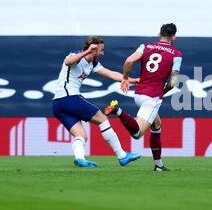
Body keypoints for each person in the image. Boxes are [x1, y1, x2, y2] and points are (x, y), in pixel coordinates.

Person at [52, 36, 141, 168]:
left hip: (58, 104)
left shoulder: (92, 64)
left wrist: (132, 80)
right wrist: (87, 51)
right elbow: (68, 62)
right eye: (101, 50)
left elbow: (110, 73)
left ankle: (80, 159)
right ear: (93, 50)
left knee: (81, 135)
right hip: (69, 98)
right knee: (103, 119)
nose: (102, 53)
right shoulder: (77, 55)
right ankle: (122, 156)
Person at [104, 23, 182, 171]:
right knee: (138, 133)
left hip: (139, 93)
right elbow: (173, 80)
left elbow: (129, 61)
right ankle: (117, 110)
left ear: (159, 34)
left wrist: (125, 78)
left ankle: (158, 165)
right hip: (152, 97)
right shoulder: (176, 54)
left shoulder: (145, 46)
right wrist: (162, 91)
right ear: (174, 37)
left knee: (157, 125)